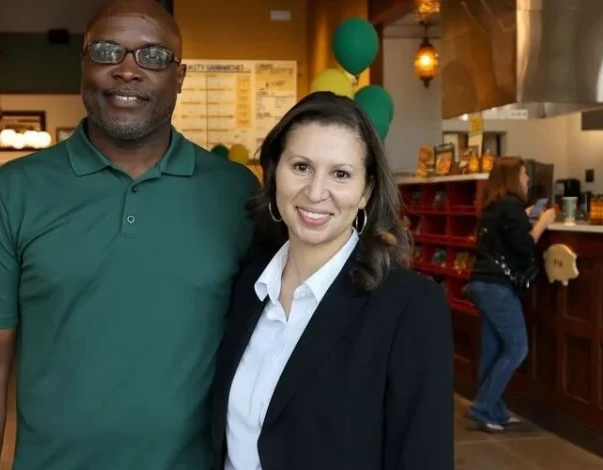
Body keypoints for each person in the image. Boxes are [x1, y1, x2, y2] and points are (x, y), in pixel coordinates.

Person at [0, 0, 259, 469]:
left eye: (153, 56)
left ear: (180, 76)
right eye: (107, 51)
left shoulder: (236, 193)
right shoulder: (14, 191)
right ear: (83, 65)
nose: (128, 71)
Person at [210, 92, 454, 470]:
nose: (316, 192)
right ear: (274, 171)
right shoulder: (248, 285)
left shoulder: (410, 307)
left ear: (366, 191)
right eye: (301, 167)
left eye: (340, 174)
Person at [464, 157, 557, 433]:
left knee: (493, 349)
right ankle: (484, 406)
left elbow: (507, 236)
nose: (527, 179)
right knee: (517, 347)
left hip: (482, 283)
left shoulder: (494, 206)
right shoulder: (512, 206)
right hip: (498, 286)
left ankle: (494, 410)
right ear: (513, 178)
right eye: (524, 175)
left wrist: (525, 218)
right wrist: (543, 222)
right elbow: (524, 247)